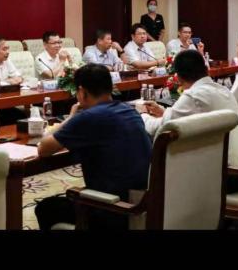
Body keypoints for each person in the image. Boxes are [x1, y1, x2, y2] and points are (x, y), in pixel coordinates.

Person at [35, 64, 152, 230]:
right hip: (143, 203)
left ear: (81, 92)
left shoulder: (89, 117)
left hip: (113, 209)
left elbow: (43, 149)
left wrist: (71, 117)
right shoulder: (129, 111)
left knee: (46, 208)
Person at [141, 49, 238, 193]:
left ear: (178, 78)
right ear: (206, 69)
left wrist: (142, 115)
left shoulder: (193, 96)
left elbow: (159, 128)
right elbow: (188, 113)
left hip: (222, 178)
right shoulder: (224, 91)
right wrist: (163, 111)